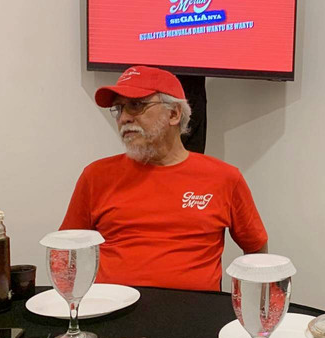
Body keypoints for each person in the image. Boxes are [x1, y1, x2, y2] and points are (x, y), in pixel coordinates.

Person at [60, 65, 268, 291]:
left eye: (136, 105)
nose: (124, 118)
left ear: (174, 113)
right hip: (113, 314)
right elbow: (64, 252)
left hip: (196, 317)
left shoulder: (225, 178)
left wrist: (248, 308)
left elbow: (257, 250)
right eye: (119, 109)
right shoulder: (96, 176)